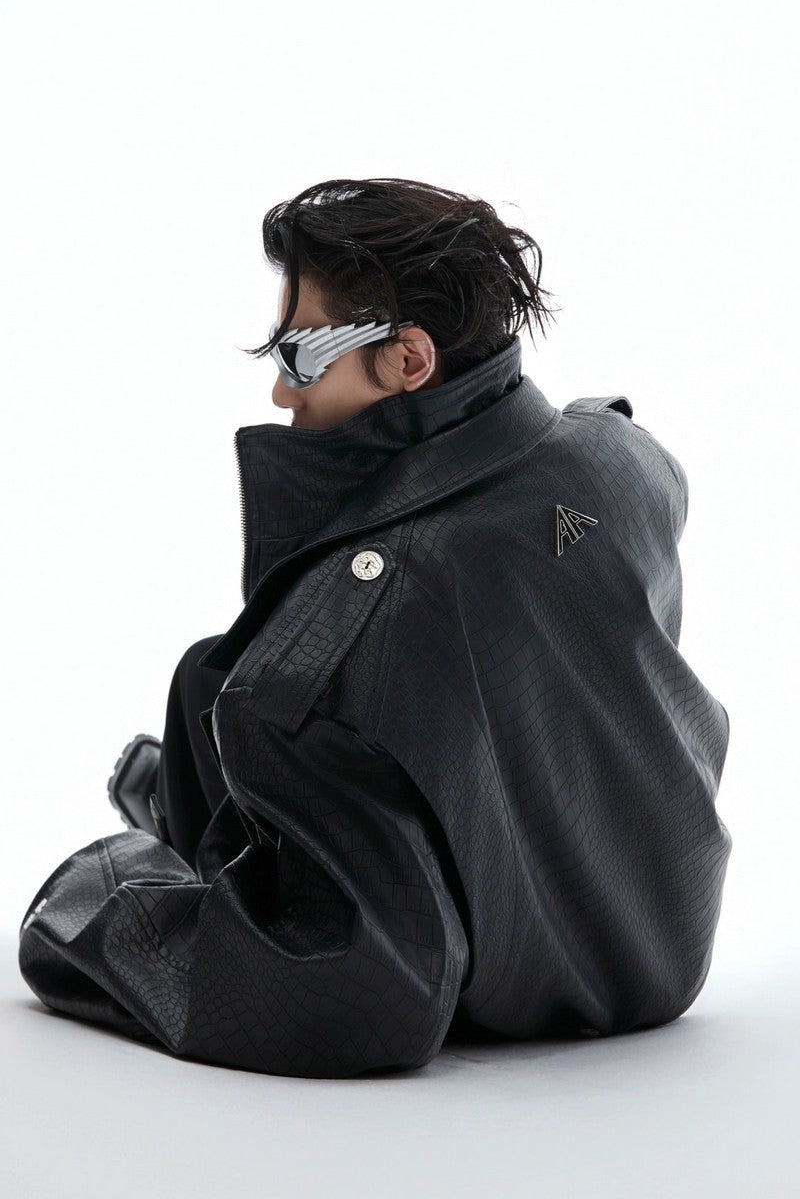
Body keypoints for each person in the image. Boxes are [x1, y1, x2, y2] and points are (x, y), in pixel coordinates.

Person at [18, 177, 733, 1078]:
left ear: (408, 359)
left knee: (239, 696)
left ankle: (196, 834)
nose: (280, 392)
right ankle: (202, 806)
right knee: (210, 678)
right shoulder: (622, 458)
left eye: (300, 355)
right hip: (667, 938)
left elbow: (359, 988)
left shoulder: (350, 632)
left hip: (513, 980)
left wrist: (99, 898)